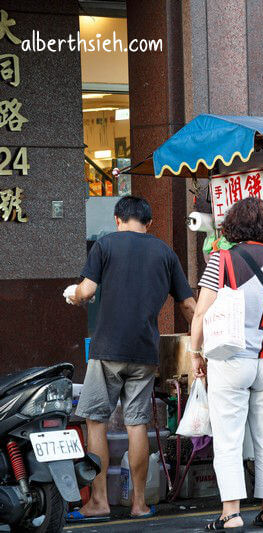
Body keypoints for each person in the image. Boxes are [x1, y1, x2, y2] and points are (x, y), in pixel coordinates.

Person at [66, 196, 196, 523]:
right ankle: (138, 503)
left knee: (95, 420)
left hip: (107, 348)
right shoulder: (165, 252)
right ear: (148, 223)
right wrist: (200, 342)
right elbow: (188, 305)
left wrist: (74, 294)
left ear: (117, 219)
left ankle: (98, 501)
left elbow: (86, 290)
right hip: (145, 350)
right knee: (136, 423)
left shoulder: (105, 246)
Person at [190, 197, 263, 530]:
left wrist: (195, 352)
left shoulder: (221, 259)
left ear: (235, 226)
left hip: (230, 357)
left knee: (228, 437)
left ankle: (231, 512)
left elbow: (201, 312)